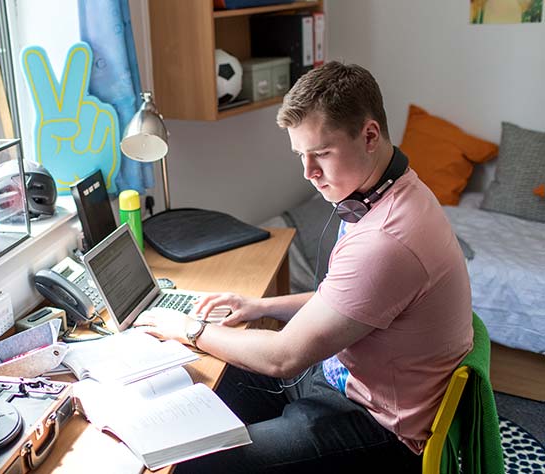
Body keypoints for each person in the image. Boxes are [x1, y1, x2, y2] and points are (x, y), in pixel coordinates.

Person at [134, 61, 473, 473]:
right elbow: (345, 300)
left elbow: (283, 358)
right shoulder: (388, 194)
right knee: (212, 380)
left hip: (375, 427)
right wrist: (260, 307)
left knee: (193, 463)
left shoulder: (387, 238)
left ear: (369, 135)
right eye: (300, 155)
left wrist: (190, 329)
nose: (309, 173)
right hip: (339, 381)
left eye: (322, 154)